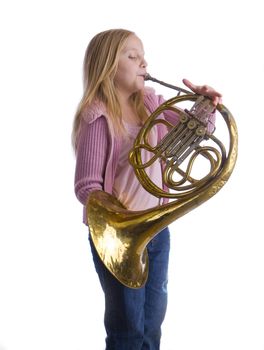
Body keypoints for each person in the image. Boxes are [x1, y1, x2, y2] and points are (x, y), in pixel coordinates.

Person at [72, 28, 222, 350]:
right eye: (133, 56)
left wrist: (205, 106)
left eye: (143, 56)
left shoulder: (152, 104)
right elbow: (87, 186)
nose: (144, 62)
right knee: (127, 329)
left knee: (153, 326)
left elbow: (199, 131)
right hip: (117, 241)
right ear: (109, 66)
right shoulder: (99, 117)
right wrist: (124, 223)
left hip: (157, 232)